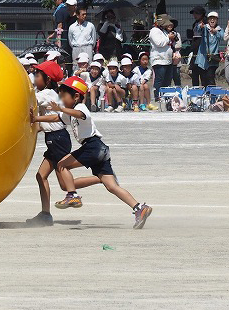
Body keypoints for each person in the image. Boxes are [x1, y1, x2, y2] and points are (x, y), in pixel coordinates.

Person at [32, 76, 153, 229]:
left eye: (64, 96)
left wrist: (61, 108)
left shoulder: (81, 107)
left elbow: (80, 115)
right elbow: (57, 117)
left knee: (62, 164)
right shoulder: (69, 112)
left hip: (92, 146)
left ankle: (72, 195)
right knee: (111, 186)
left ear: (76, 96)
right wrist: (36, 118)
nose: (61, 99)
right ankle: (139, 208)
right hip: (99, 149)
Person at [25, 61, 71, 227]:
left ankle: (101, 178)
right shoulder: (49, 93)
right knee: (41, 176)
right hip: (54, 140)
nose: (34, 78)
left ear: (48, 79)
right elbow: (42, 125)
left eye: (37, 75)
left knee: (65, 185)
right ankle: (46, 214)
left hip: (57, 139)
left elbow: (27, 100)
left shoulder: (47, 94)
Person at [194, 11, 223, 87]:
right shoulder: (204, 27)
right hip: (202, 58)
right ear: (208, 20)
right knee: (203, 79)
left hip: (213, 58)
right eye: (210, 19)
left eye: (214, 19)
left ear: (217, 20)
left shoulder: (219, 29)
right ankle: (206, 96)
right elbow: (197, 30)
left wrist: (215, 32)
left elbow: (222, 37)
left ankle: (212, 97)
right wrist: (200, 26)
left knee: (210, 77)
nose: (212, 20)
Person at [149, 14, 174, 101]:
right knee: (159, 79)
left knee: (167, 80)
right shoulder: (154, 31)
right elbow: (159, 43)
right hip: (159, 60)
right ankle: (157, 97)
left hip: (167, 60)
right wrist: (168, 37)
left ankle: (166, 96)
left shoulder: (163, 31)